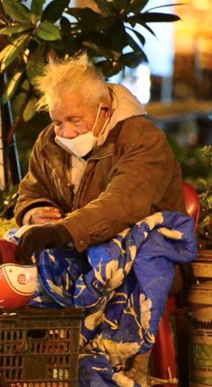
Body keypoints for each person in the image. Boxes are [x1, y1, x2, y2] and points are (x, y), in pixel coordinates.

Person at [14, 54, 186, 262]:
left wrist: (63, 231)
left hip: (147, 258)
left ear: (103, 109)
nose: (65, 132)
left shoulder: (143, 138)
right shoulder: (49, 140)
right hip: (76, 254)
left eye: (75, 120)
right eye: (58, 122)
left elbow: (123, 202)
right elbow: (32, 190)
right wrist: (32, 213)